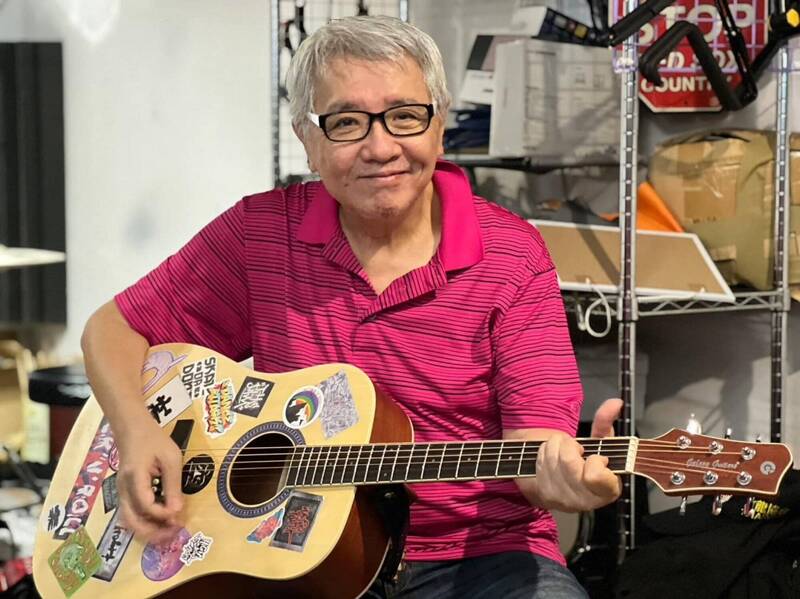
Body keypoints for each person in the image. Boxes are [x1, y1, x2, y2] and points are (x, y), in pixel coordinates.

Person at [81, 15, 621, 599]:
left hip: (483, 558)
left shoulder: (513, 254)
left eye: (405, 116)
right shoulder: (259, 234)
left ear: (439, 126)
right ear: (306, 140)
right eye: (345, 123)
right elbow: (111, 330)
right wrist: (137, 434)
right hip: (290, 559)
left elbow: (534, 445)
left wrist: (563, 479)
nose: (381, 148)